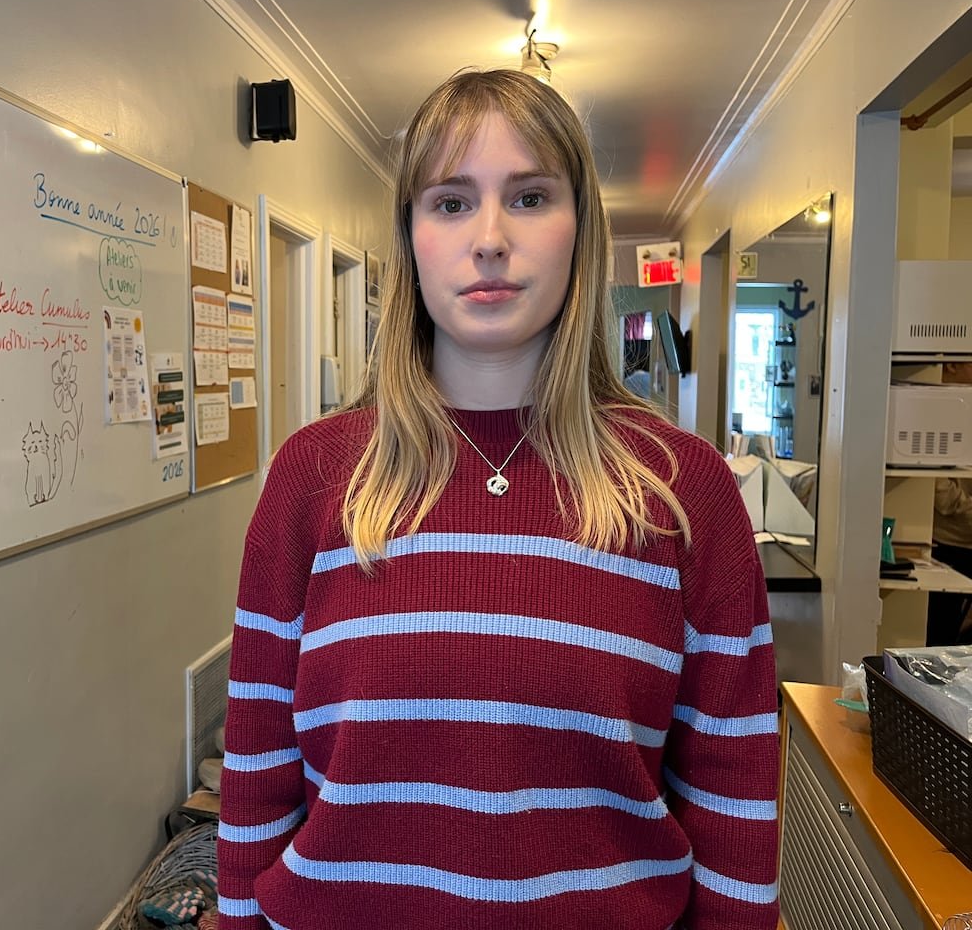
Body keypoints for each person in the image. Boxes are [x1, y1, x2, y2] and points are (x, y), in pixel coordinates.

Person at [218, 69, 778, 930]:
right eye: (450, 202)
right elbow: (256, 768)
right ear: (410, 237)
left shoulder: (682, 489)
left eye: (528, 197)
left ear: (580, 229)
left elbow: (733, 791)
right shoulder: (313, 477)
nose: (488, 239)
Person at [928, 362, 972, 645]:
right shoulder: (935, 408)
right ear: (953, 365)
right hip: (949, 542)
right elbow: (938, 488)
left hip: (961, 538)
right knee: (940, 635)